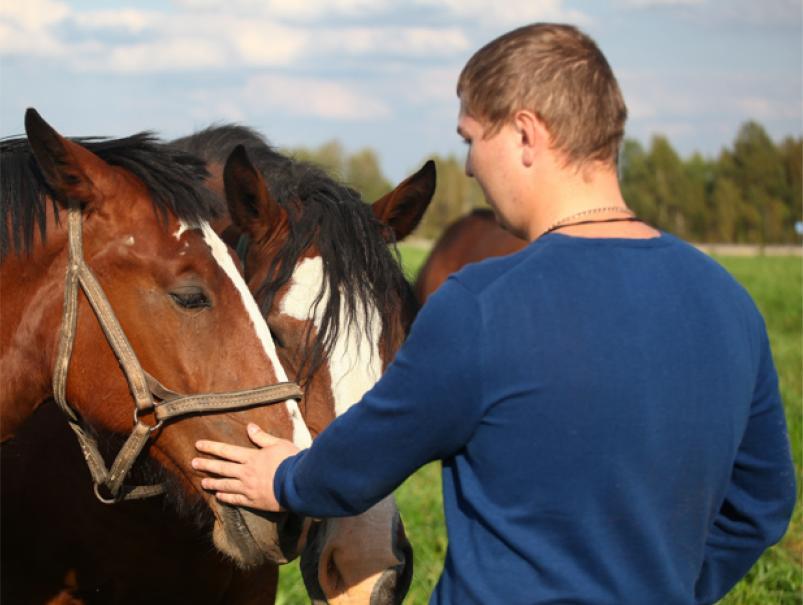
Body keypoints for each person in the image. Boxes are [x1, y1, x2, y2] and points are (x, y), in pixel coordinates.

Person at [192, 23, 796, 604]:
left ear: (525, 134)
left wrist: (282, 480)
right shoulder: (728, 302)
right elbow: (763, 503)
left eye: (471, 138)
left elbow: (366, 457)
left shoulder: (481, 304)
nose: (468, 168)